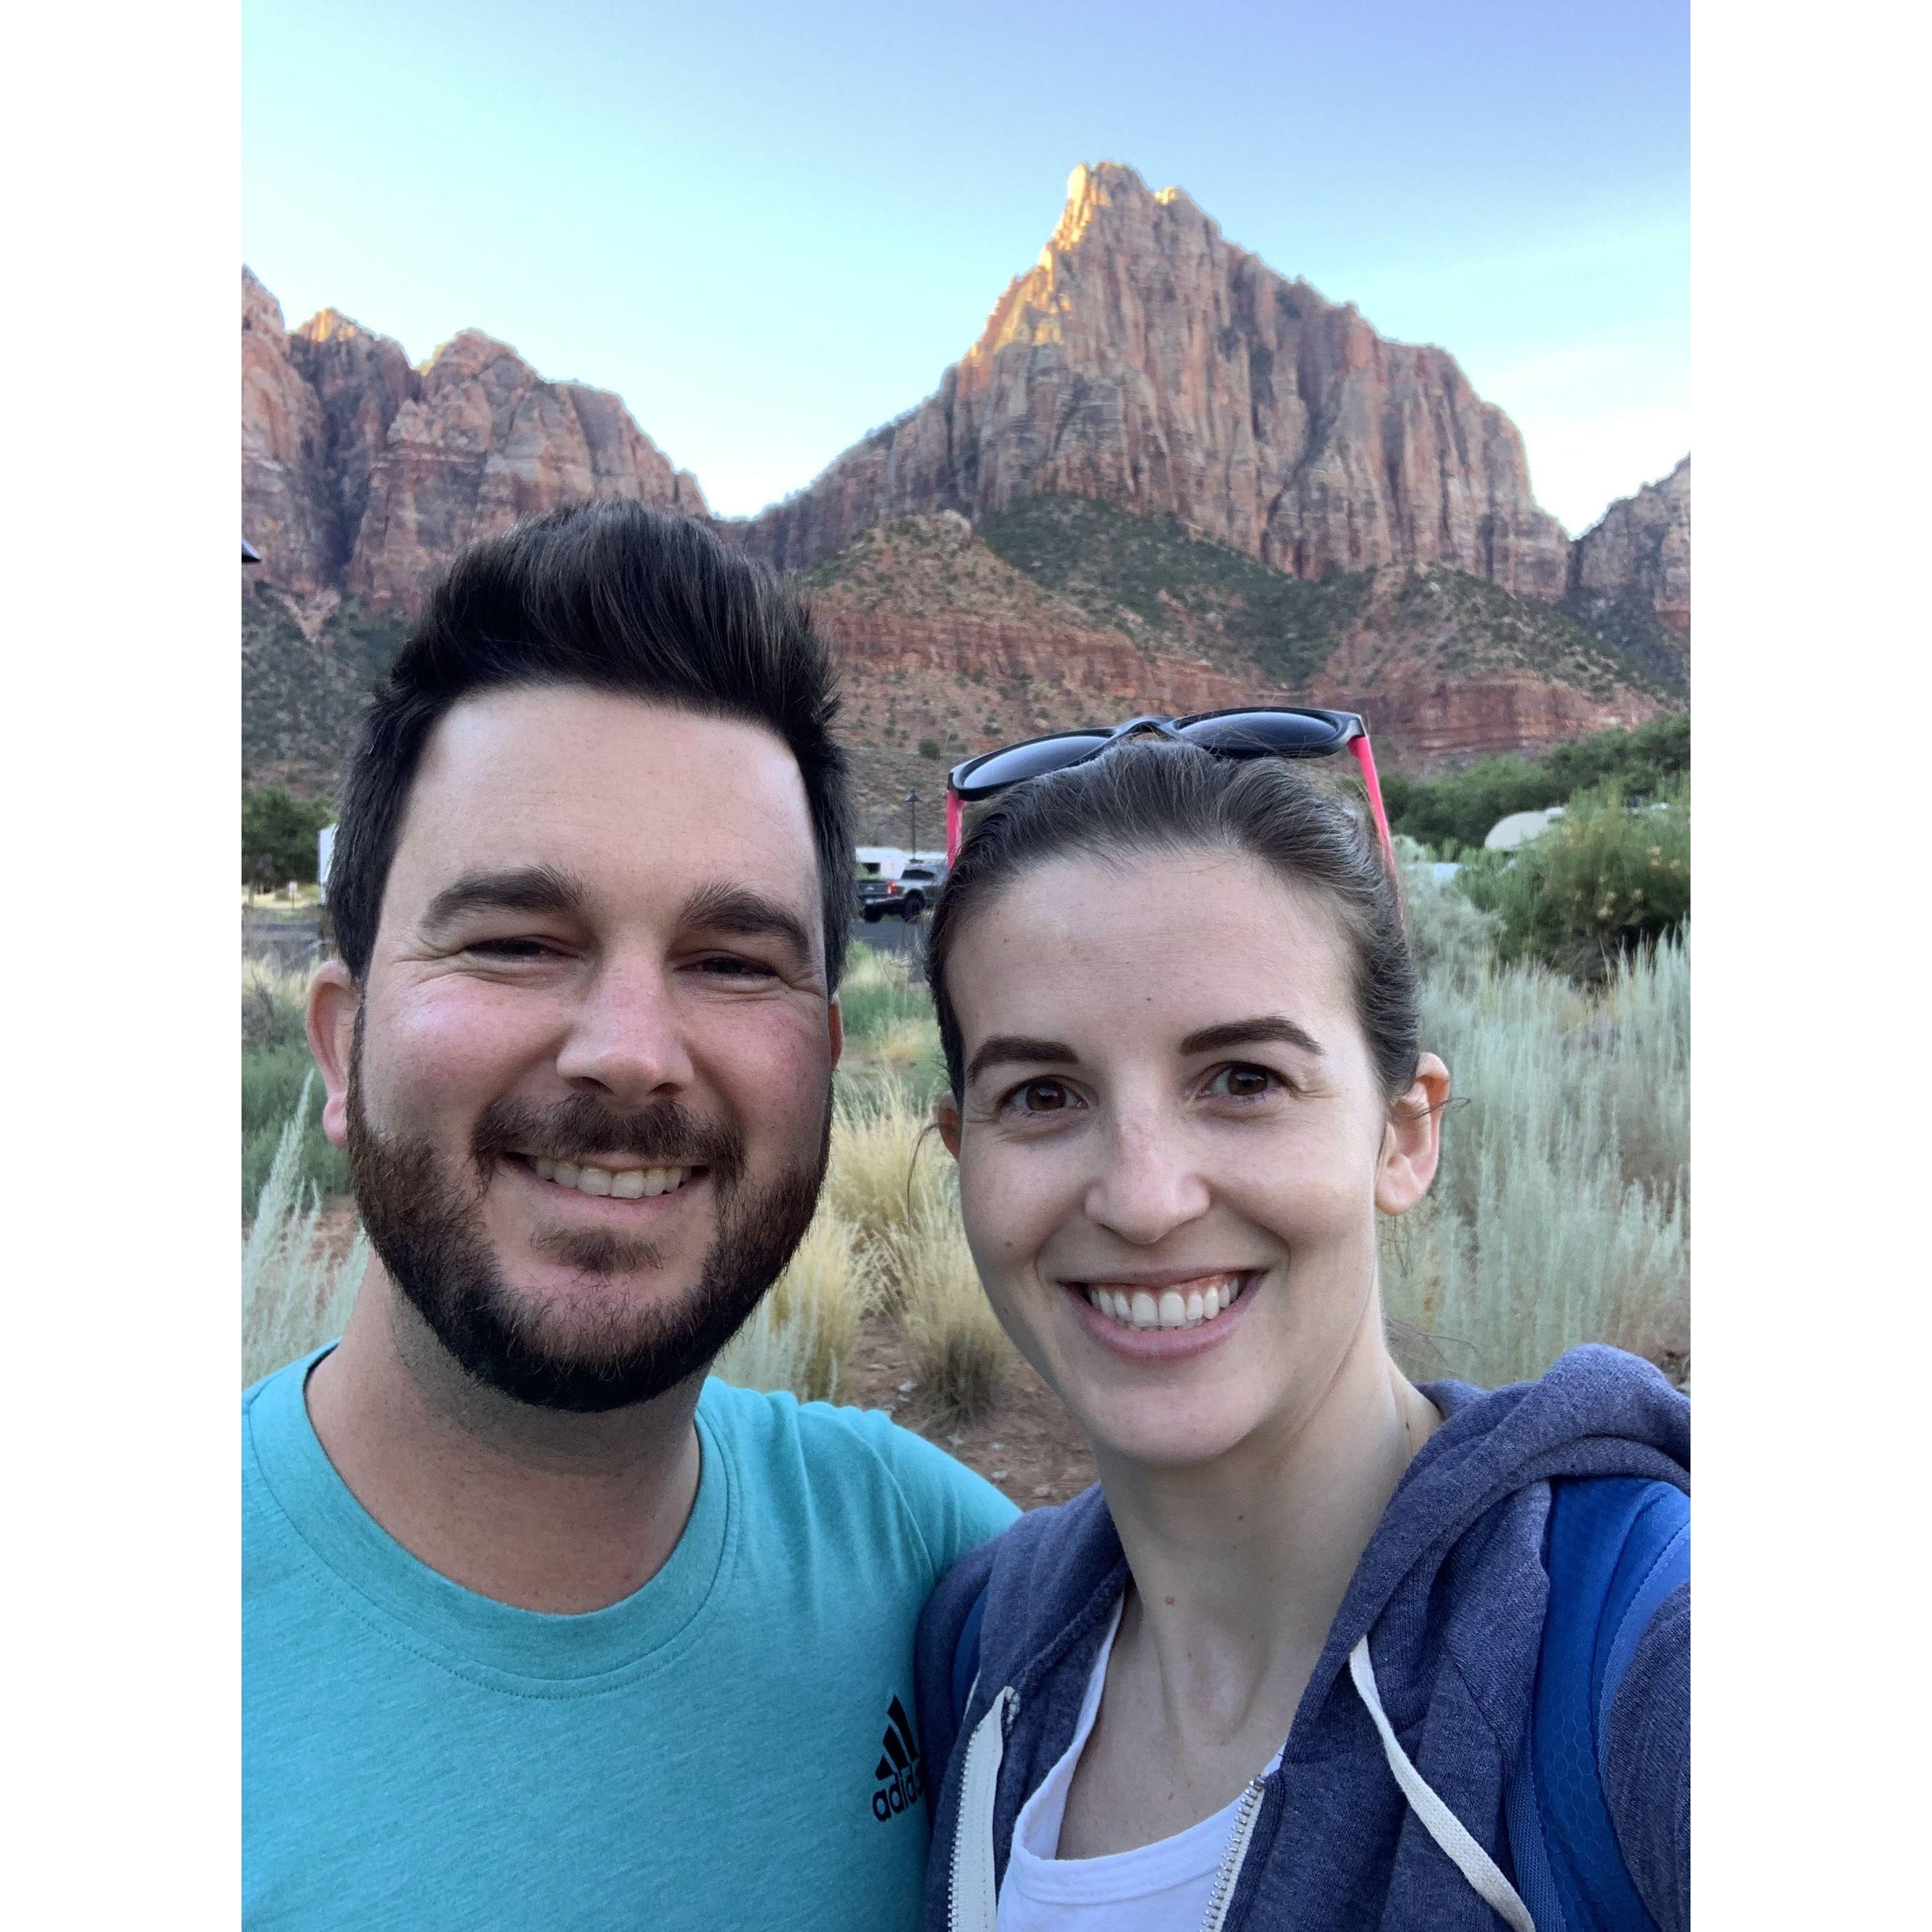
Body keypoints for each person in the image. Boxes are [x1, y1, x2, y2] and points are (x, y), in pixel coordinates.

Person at [242, 500, 1016, 1928]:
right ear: (344, 1046)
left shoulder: (942, 1574)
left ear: (824, 1063)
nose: (630, 1048)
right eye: (518, 941)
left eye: (731, 960)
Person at [910, 735, 1689, 1931]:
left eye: (1243, 1079)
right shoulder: (982, 1654)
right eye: (1044, 1096)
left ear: (1403, 1136)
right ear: (965, 1159)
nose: (1144, 1195)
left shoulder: (1625, 1630)